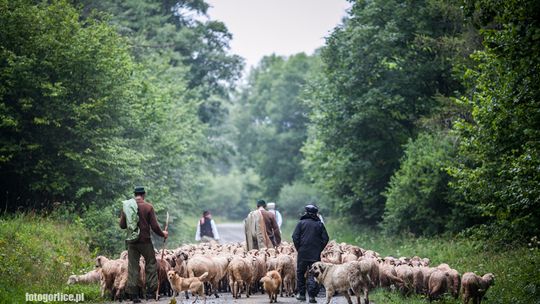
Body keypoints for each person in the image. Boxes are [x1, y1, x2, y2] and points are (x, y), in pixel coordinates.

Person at [120, 186, 168, 303]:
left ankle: (134, 295)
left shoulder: (127, 207)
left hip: (132, 242)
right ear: (144, 194)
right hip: (145, 241)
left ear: (135, 194)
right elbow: (155, 227)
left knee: (133, 267)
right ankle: (151, 292)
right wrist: (163, 234)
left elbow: (122, 225)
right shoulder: (148, 207)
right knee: (151, 265)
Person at [292, 204, 329, 303]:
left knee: (300, 273)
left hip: (303, 252)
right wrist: (319, 248)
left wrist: (299, 248)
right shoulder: (319, 224)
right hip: (315, 253)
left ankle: (302, 294)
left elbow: (295, 237)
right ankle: (312, 296)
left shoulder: (301, 223)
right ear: (315, 213)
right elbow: (326, 238)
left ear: (306, 213)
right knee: (314, 273)